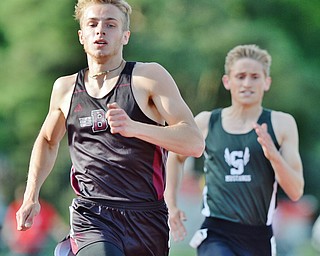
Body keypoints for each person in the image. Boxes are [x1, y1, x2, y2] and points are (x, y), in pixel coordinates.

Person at [15, 0, 205, 256]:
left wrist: (135, 127)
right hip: (92, 213)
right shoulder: (65, 88)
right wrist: (31, 196)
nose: (100, 30)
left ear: (125, 35)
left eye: (110, 24)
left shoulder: (148, 78)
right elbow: (48, 141)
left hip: (146, 218)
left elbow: (193, 142)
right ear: (82, 36)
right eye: (92, 24)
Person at [165, 44, 304, 256]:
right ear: (227, 81)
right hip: (216, 233)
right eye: (240, 76)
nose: (247, 83)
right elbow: (175, 156)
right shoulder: (206, 122)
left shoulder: (282, 124)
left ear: (266, 82)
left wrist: (273, 155)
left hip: (259, 238)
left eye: (255, 77)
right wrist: (172, 204)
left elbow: (295, 191)